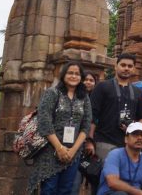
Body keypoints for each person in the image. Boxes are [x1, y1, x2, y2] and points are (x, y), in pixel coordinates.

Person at [28, 62, 92, 194]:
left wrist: (73, 151)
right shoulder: (52, 93)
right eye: (70, 73)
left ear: (81, 77)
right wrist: (59, 148)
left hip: (73, 152)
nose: (73, 76)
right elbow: (44, 122)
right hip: (50, 149)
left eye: (77, 74)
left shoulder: (83, 97)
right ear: (63, 75)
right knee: (49, 189)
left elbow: (85, 126)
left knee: (66, 189)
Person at [90, 53, 142, 161]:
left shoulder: (137, 92)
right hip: (104, 141)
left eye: (130, 66)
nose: (126, 68)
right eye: (123, 65)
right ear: (116, 66)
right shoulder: (102, 86)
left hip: (128, 143)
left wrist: (132, 128)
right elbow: (92, 115)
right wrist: (89, 140)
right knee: (103, 175)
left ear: (134, 69)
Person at [97, 122, 142, 195]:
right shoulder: (115, 154)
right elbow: (113, 183)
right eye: (135, 134)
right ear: (126, 139)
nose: (139, 138)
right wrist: (139, 193)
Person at [72, 71, 99, 195]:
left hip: (93, 145)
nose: (88, 82)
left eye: (91, 80)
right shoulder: (74, 97)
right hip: (75, 144)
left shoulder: (99, 99)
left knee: (94, 179)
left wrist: (91, 141)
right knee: (74, 183)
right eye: (86, 79)